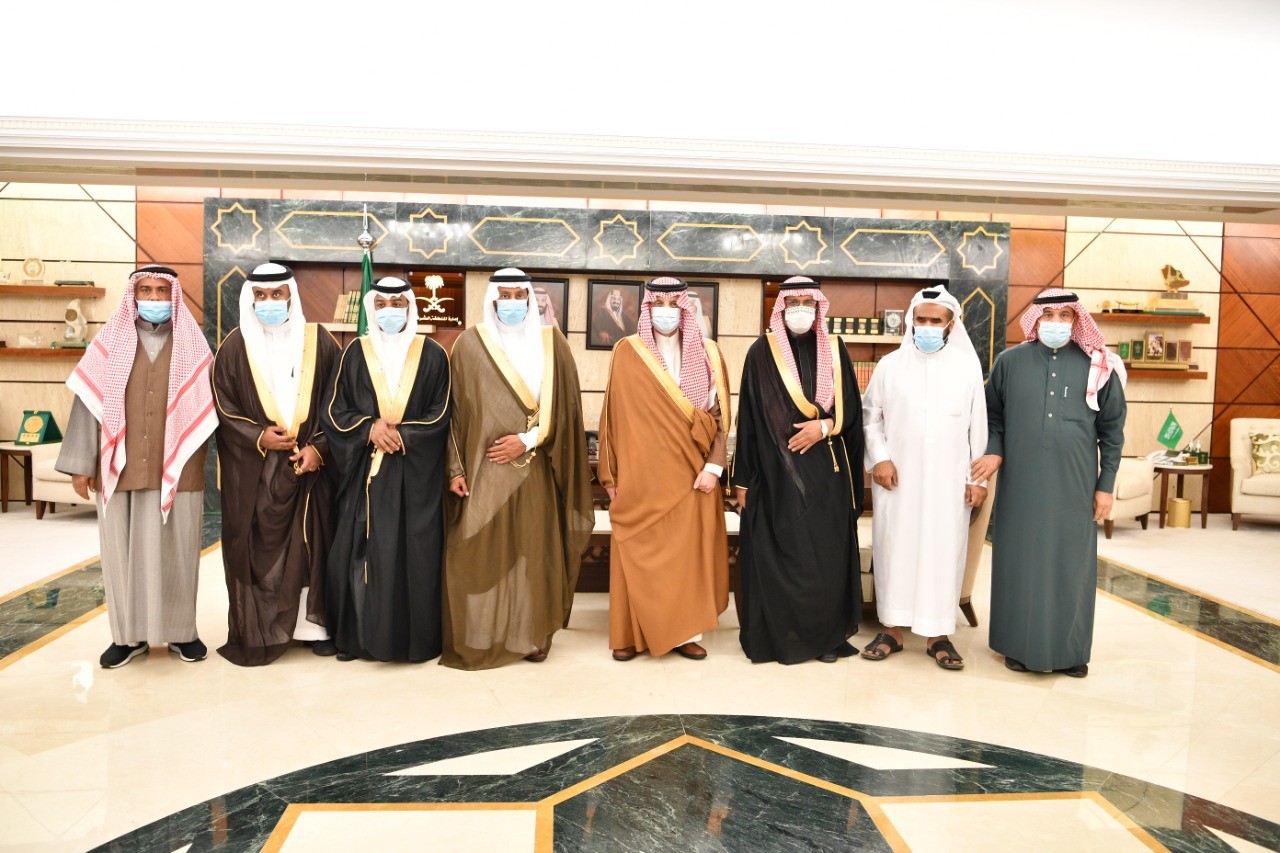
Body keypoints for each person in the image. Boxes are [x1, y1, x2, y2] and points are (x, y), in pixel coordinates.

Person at [57, 265, 217, 668]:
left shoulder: (194, 346)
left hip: (179, 468)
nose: (154, 298)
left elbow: (213, 408)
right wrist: (81, 465)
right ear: (133, 294)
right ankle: (127, 638)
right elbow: (87, 404)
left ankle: (182, 633)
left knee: (178, 552)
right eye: (146, 290)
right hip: (119, 467)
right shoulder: (108, 342)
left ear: (173, 296)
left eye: (162, 291)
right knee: (122, 555)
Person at [971, 288, 1127, 678]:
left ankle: (1071, 651)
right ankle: (1017, 645)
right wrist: (994, 451)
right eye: (1048, 315)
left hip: (1075, 483)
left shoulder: (1098, 366)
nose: (1056, 323)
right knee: (1019, 562)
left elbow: (1112, 431)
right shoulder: (1009, 362)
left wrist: (1105, 485)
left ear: (1077, 321)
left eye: (1064, 316)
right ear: (1035, 320)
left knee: (1070, 566)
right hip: (1021, 482)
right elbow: (992, 416)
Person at [442, 269, 594, 669]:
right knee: (478, 552)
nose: (511, 302)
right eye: (504, 295)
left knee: (532, 553)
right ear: (492, 299)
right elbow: (453, 414)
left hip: (534, 468)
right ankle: (483, 632)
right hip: (482, 472)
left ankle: (532, 635)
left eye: (518, 295)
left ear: (529, 299)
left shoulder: (552, 343)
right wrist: (455, 469)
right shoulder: (469, 344)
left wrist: (526, 440)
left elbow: (567, 410)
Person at [212, 263, 341, 665]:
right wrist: (258, 436)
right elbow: (223, 407)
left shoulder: (320, 342)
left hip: (311, 469)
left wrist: (320, 448)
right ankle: (263, 626)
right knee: (258, 547)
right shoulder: (234, 346)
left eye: (277, 294)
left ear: (290, 296)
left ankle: (314, 629)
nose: (269, 302)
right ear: (251, 299)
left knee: (311, 545)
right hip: (258, 471)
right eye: (261, 296)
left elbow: (340, 401)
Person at [597, 276, 731, 661]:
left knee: (686, 559)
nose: (666, 312)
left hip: (693, 476)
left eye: (674, 305)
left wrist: (714, 468)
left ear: (686, 308)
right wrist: (609, 474)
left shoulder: (709, 352)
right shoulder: (628, 351)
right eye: (659, 304)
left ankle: (685, 632)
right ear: (647, 307)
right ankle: (628, 634)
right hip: (639, 477)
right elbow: (611, 417)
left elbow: (720, 418)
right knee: (635, 552)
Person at [731, 276, 863, 664]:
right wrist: (742, 479)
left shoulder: (836, 349)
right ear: (782, 306)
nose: (801, 309)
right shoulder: (761, 351)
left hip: (827, 474)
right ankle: (783, 637)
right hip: (776, 475)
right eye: (793, 302)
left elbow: (853, 410)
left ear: (819, 306)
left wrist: (824, 427)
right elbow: (749, 417)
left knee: (824, 556)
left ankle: (824, 638)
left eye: (808, 301)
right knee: (783, 554)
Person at [322, 277, 452, 663]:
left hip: (415, 477)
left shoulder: (433, 354)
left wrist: (403, 435)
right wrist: (368, 428)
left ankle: (413, 642)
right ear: (371, 309)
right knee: (359, 553)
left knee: (416, 557)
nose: (390, 311)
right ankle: (359, 639)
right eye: (381, 304)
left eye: (398, 303)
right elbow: (334, 410)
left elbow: (443, 411)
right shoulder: (354, 353)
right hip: (366, 473)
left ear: (410, 308)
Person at [860, 286, 988, 670]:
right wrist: (880, 459)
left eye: (936, 320)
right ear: (911, 321)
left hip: (950, 483)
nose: (927, 326)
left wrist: (977, 480)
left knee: (943, 552)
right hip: (897, 481)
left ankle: (938, 635)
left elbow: (978, 428)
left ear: (951, 325)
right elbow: (870, 417)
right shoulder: (890, 365)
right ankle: (892, 630)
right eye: (921, 319)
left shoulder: (966, 367)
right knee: (894, 549)